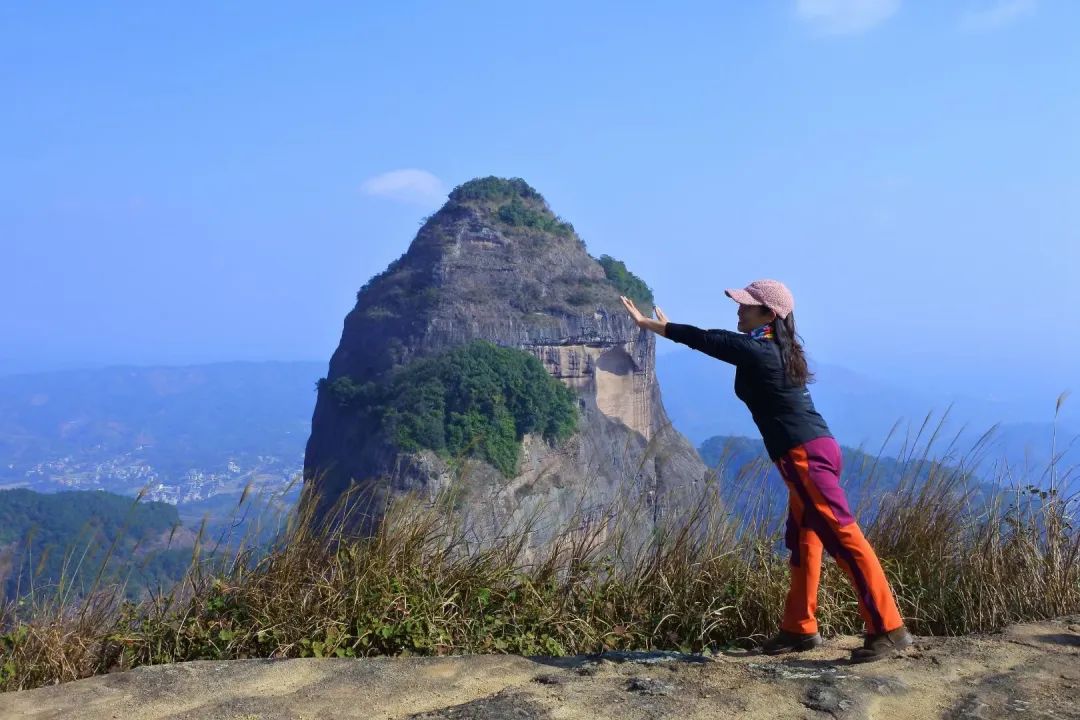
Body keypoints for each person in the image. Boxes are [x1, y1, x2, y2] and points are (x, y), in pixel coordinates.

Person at [620, 280, 913, 664]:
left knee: (844, 538)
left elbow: (712, 340)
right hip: (813, 449)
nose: (739, 310)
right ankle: (799, 628)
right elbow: (720, 340)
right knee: (804, 540)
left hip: (805, 455)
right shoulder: (780, 346)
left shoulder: (760, 350)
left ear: (769, 314)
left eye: (747, 306)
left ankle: (888, 629)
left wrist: (657, 327)